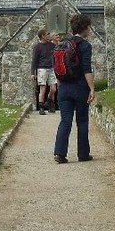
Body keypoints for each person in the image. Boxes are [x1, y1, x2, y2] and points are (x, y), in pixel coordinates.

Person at [53, 14, 95, 163]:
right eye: (88, 27)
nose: (89, 30)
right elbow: (86, 69)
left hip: (63, 88)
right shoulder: (85, 45)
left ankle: (59, 153)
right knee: (82, 121)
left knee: (65, 120)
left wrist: (60, 84)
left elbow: (57, 67)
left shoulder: (63, 44)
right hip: (79, 88)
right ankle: (83, 154)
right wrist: (91, 89)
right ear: (84, 28)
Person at [30, 29, 55, 114]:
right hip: (42, 69)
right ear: (43, 36)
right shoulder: (37, 47)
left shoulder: (52, 45)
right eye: (47, 34)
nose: (49, 35)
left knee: (53, 89)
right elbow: (34, 60)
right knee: (43, 88)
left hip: (51, 69)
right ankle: (41, 107)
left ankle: (49, 102)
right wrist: (33, 73)